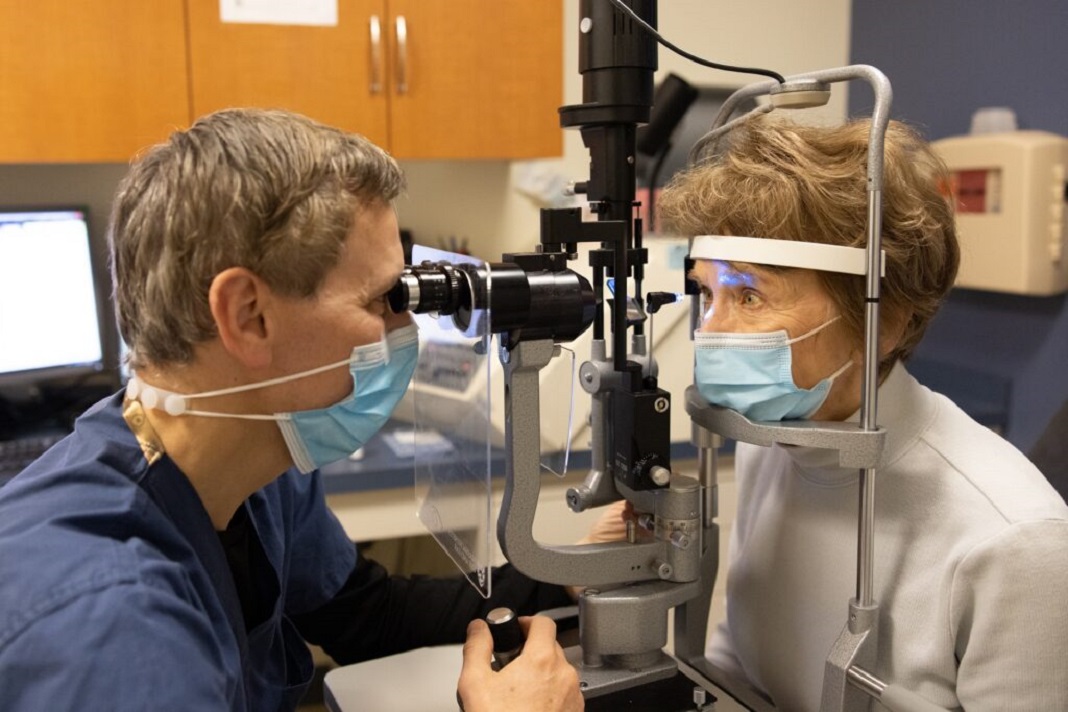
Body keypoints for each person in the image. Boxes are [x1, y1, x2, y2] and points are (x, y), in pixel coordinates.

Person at [0, 108, 583, 711]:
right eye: (385, 299)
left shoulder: (249, 466)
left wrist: (564, 573)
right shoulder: (115, 631)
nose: (406, 328)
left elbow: (364, 615)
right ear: (248, 315)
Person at [656, 114, 1068, 710]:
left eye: (749, 295)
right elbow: (739, 662)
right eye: (707, 294)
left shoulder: (1016, 543)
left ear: (885, 322)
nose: (710, 331)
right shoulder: (767, 444)